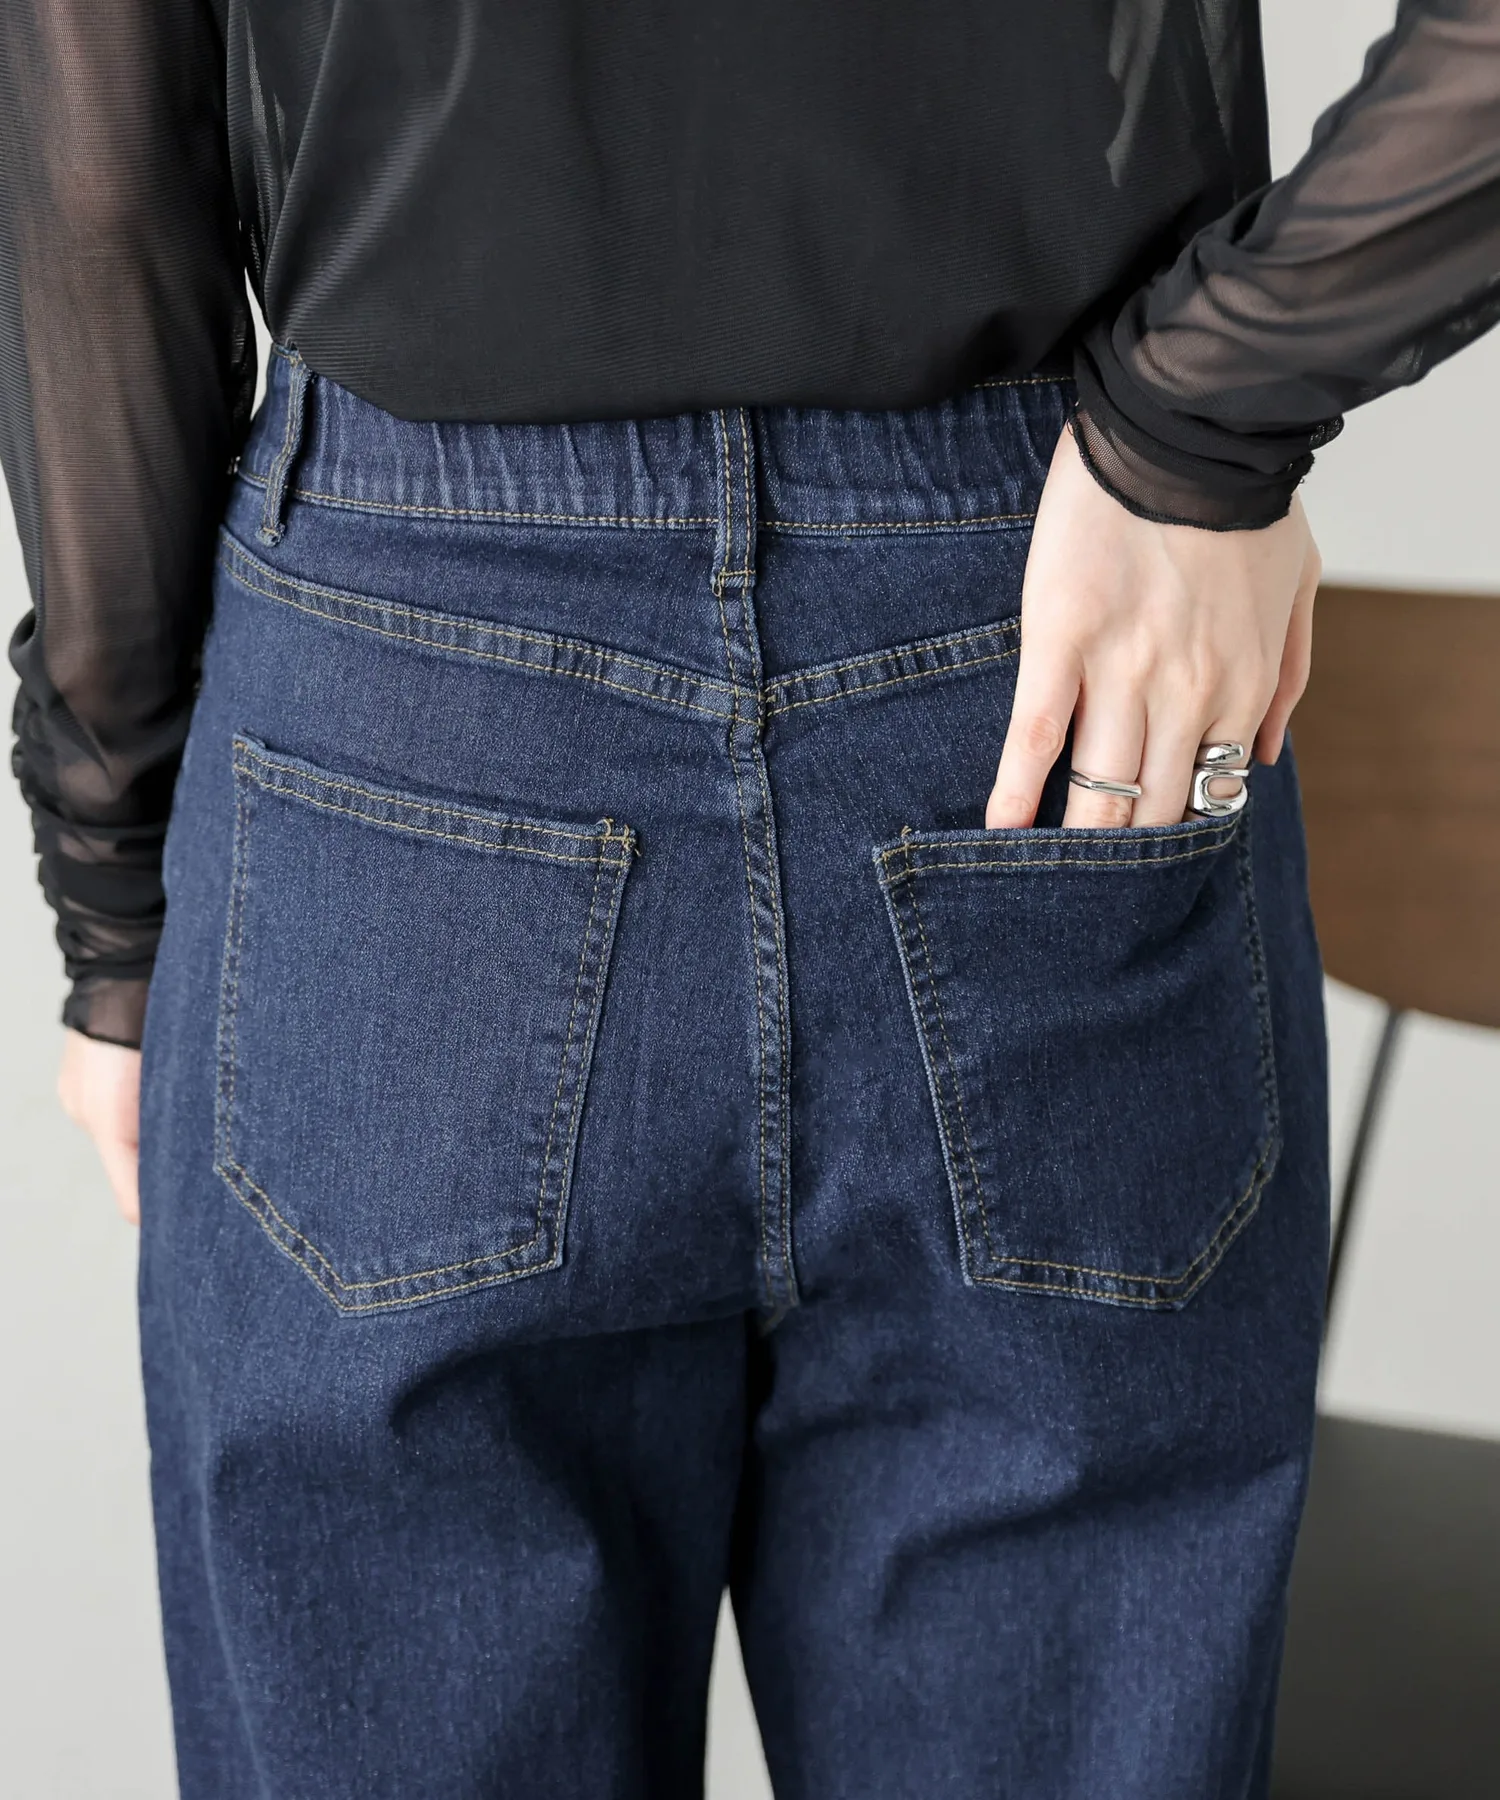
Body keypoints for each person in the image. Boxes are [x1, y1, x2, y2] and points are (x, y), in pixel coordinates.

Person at [2, 1, 1496, 1794]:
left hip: (419, 704)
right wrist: (1205, 422)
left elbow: (95, 184)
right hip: (1045, 654)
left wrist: (120, 893)